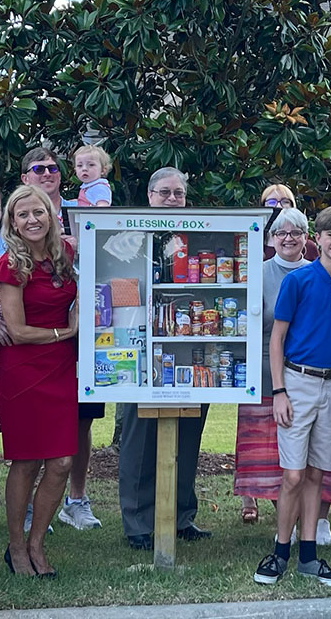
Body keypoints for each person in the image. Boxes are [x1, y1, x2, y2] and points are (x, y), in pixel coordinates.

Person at [253, 205, 331, 588]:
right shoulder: (299, 280)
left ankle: (309, 555)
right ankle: (280, 550)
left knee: (318, 472)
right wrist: (279, 391)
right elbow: (277, 338)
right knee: (294, 474)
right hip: (297, 382)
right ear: (319, 238)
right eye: (330, 236)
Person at [119, 167, 213, 550]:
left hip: (187, 346)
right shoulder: (128, 236)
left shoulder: (195, 236)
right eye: (164, 193)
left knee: (188, 439)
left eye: (178, 193)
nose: (172, 199)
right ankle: (138, 523)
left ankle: (181, 516)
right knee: (139, 442)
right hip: (139, 348)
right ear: (149, 195)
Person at [0, 185, 79, 576]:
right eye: (22, 214)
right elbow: (17, 329)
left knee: (61, 461)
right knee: (25, 462)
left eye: (38, 212)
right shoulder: (11, 263)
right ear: (12, 221)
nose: (31, 220)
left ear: (51, 214)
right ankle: (16, 547)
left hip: (62, 369)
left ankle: (37, 543)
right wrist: (66, 333)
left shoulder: (68, 256)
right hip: (25, 370)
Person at [234, 209, 331, 529]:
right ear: (271, 239)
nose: (288, 238)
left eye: (296, 232)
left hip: (310, 374)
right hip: (265, 375)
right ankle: (286, 519)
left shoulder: (320, 274)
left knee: (313, 451)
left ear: (307, 238)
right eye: (281, 233)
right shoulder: (256, 273)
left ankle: (317, 520)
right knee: (274, 456)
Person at [261, 184, 317, 261]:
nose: (278, 206)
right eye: (272, 202)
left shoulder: (308, 246)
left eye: (285, 202)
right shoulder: (254, 244)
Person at [20, 148, 67, 227]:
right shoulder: (17, 217)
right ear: (25, 179)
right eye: (39, 169)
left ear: (59, 176)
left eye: (52, 168)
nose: (47, 174)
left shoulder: (80, 208)